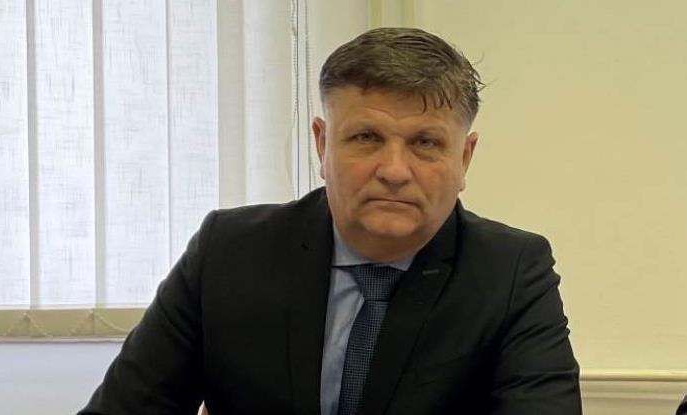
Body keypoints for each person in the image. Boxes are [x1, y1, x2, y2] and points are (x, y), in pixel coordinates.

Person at [79, 27, 581, 415]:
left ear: (464, 158)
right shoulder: (227, 254)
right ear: (322, 144)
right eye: (366, 138)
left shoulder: (511, 272)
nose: (394, 171)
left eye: (425, 143)